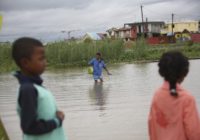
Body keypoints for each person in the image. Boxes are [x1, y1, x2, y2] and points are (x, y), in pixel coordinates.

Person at [12, 37, 67, 140]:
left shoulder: (37, 87)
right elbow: (30, 127)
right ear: (25, 63)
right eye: (41, 59)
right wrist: (57, 120)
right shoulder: (28, 90)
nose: (45, 62)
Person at [148, 51, 200, 140]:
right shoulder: (186, 99)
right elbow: (194, 133)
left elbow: (152, 127)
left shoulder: (157, 96)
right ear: (185, 72)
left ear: (162, 72)